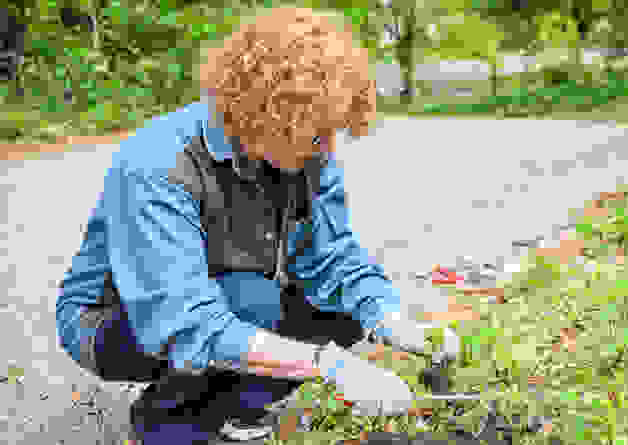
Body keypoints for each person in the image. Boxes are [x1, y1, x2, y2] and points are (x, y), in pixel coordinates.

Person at [54, 7, 460, 445]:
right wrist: (328, 365)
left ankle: (233, 406)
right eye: (318, 133)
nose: (328, 147)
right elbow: (182, 320)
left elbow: (333, 258)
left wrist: (391, 319)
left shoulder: (305, 154)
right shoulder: (157, 164)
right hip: (117, 320)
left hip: (229, 297)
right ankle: (169, 424)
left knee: (344, 311)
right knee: (251, 300)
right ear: (267, 112)